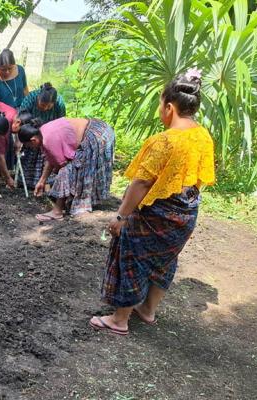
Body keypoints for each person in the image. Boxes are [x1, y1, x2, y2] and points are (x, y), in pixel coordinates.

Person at [90, 69, 215, 335]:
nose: (160, 110)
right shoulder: (203, 135)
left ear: (169, 107)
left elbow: (142, 183)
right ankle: (147, 310)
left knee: (132, 256)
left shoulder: (164, 141)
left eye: (160, 104)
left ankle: (119, 319)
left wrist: (121, 216)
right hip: (187, 213)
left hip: (157, 213)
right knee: (165, 261)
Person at [18, 116, 115, 221]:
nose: (31, 148)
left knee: (68, 170)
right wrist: (42, 180)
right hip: (100, 128)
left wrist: (56, 186)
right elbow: (51, 160)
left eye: (28, 145)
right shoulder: (43, 132)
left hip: (96, 135)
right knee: (69, 168)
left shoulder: (48, 139)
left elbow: (64, 168)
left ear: (33, 140)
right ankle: (68, 202)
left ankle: (58, 211)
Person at [18, 82, 67, 190]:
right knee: (29, 154)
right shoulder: (30, 98)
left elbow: (61, 123)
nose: (45, 108)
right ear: (38, 98)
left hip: (50, 135)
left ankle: (45, 183)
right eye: (42, 105)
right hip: (32, 131)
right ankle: (26, 182)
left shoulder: (60, 103)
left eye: (48, 106)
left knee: (47, 157)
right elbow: (22, 118)